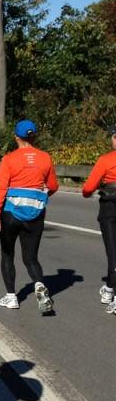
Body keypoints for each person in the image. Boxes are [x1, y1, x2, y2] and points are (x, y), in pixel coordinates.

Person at [0, 119, 58, 313]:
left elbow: (1, 187)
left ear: (16, 137)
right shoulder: (45, 158)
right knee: (31, 258)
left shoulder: (9, 159)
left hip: (11, 212)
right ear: (33, 136)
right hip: (35, 213)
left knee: (7, 254)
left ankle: (11, 297)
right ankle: (38, 285)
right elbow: (52, 186)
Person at [82, 123, 116, 314]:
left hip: (110, 209)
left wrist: (89, 192)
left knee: (113, 253)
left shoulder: (106, 160)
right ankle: (109, 289)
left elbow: (88, 188)